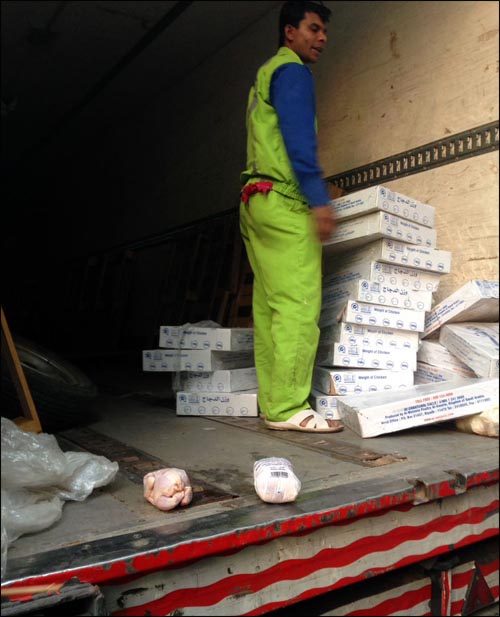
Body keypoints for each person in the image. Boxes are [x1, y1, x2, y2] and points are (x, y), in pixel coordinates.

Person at [239, 1, 343, 433]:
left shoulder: (265, 74)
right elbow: (299, 140)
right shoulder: (292, 72)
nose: (322, 38)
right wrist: (319, 199)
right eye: (313, 29)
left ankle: (274, 404)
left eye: (324, 31)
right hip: (283, 201)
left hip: (255, 199)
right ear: (289, 32)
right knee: (299, 305)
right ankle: (289, 408)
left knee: (270, 308)